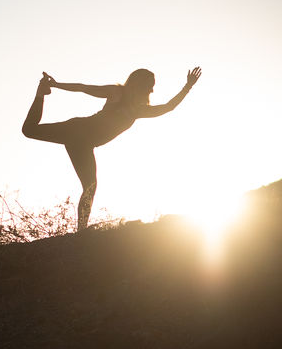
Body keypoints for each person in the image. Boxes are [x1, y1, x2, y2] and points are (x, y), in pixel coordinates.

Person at [21, 66, 202, 232]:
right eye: (150, 85)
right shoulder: (116, 92)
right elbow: (84, 87)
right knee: (29, 130)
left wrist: (188, 87)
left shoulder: (138, 110)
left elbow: (167, 107)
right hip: (77, 129)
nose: (152, 90)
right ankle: (41, 93)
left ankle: (81, 231)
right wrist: (56, 84)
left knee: (90, 186)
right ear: (139, 84)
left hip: (83, 145)